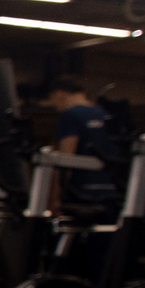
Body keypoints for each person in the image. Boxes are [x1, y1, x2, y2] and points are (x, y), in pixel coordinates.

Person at [45, 74, 124, 218]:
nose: (56, 108)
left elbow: (66, 159)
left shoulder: (69, 115)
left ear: (59, 94)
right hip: (111, 193)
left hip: (81, 195)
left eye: (54, 102)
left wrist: (55, 199)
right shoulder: (107, 115)